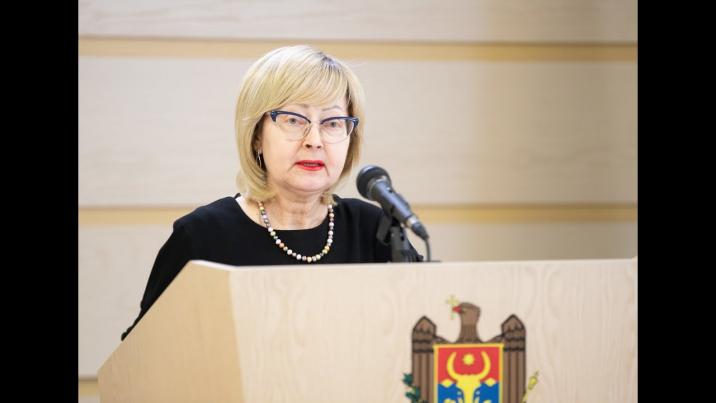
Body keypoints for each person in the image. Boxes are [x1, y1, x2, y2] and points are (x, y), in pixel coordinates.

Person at [121, 45, 418, 341]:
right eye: (294, 120)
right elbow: (141, 356)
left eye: (332, 123)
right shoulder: (203, 236)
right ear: (256, 136)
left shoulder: (374, 229)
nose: (314, 140)